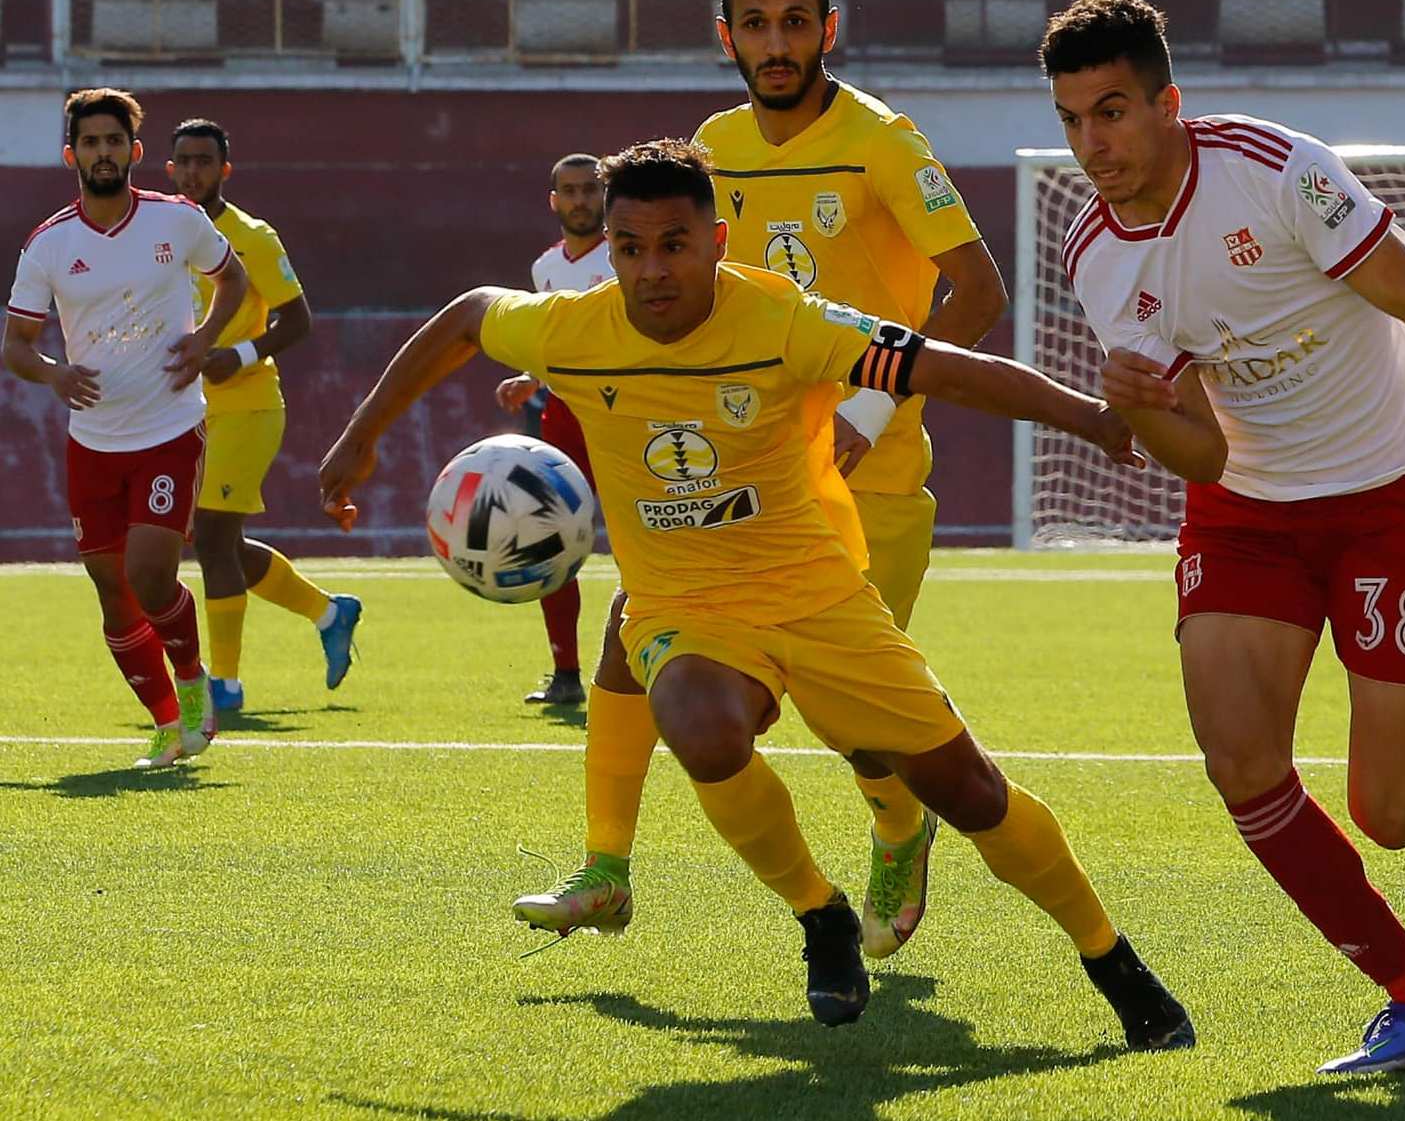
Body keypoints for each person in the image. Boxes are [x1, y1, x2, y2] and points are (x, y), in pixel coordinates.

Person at [318, 138, 1194, 1049]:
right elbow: (467, 315)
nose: (651, 269)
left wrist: (1092, 419)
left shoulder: (785, 321)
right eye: (628, 248)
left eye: (674, 244)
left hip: (819, 597)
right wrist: (361, 435)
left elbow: (943, 367)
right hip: (685, 608)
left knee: (968, 791)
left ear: (717, 239)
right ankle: (822, 917)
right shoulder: (572, 330)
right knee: (698, 723)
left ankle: (1111, 958)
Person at [1041, 0, 1405, 1074]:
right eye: (1074, 118)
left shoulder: (1282, 172)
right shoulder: (1095, 254)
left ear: (1169, 102)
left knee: (1391, 814)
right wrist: (1139, 411)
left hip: (1383, 494)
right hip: (1246, 511)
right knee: (1238, 758)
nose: (1093, 143)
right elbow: (1205, 456)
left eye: (1113, 111)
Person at [535, 0, 1011, 961]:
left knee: (866, 729)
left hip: (869, 483)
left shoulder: (886, 141)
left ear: (828, 27)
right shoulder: (714, 147)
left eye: (796, 20)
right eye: (756, 22)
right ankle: (605, 865)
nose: (777, 40)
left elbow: (978, 289)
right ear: (727, 36)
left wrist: (871, 411)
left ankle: (898, 823)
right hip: (742, 475)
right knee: (634, 630)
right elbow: (679, 294)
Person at [4, 88, 247, 767]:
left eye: (114, 141)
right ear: (71, 154)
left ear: (135, 152)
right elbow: (16, 344)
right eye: (90, 142)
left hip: (169, 426)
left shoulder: (178, 220)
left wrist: (204, 338)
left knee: (148, 574)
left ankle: (196, 682)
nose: (103, 152)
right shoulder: (49, 244)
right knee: (111, 588)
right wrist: (53, 373)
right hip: (93, 441)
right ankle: (169, 725)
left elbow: (233, 279)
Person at [166, 117, 362, 711]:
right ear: (169, 169)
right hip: (180, 408)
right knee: (215, 539)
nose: (193, 171)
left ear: (225, 170)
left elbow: (297, 319)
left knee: (213, 538)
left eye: (205, 160)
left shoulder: (251, 235)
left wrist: (242, 353)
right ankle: (330, 613)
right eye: (184, 161)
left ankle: (223, 686)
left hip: (247, 403)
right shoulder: (160, 234)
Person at [492, 152, 622, 708]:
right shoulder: (545, 268)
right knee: (551, 539)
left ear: (605, 195)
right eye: (568, 191)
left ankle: (647, 664)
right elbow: (558, 344)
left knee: (646, 541)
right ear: (554, 201)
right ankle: (565, 672)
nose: (580, 200)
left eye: (590, 190)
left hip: (626, 413)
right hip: (565, 417)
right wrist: (530, 378)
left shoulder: (627, 254)